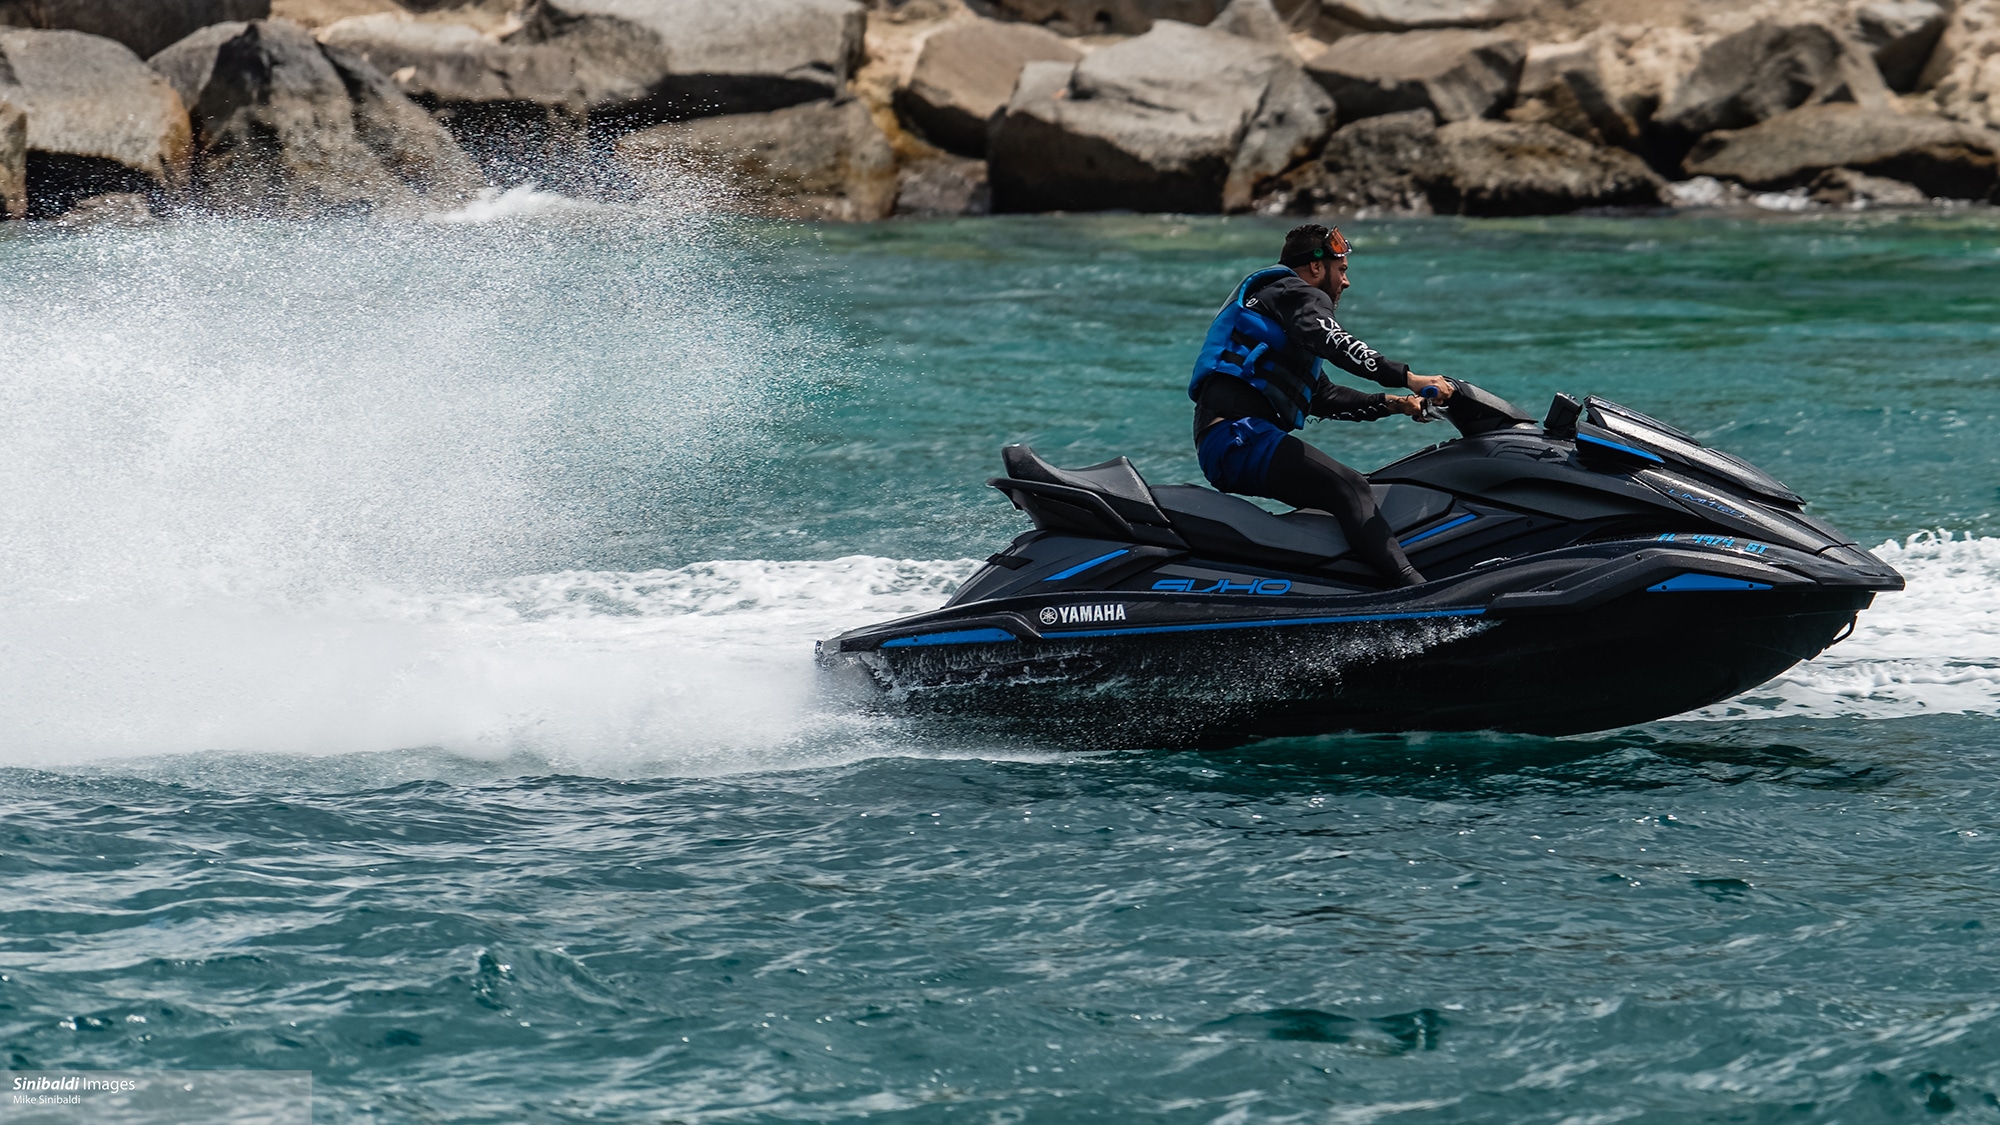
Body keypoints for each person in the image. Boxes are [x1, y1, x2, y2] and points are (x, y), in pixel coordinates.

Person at [1188, 223, 1454, 587]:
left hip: (1231, 441)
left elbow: (1322, 397)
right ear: (1316, 266)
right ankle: (1415, 592)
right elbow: (1333, 340)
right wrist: (1409, 377)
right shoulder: (1294, 293)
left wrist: (1397, 404)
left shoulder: (1279, 307)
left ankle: (1343, 588)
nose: (1346, 282)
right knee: (1352, 488)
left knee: (1341, 496)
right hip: (1239, 437)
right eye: (1341, 270)